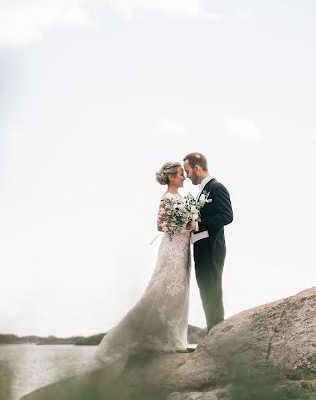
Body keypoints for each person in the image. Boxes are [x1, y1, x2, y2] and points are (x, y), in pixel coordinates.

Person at [92, 162, 193, 368]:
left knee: (179, 292)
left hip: (183, 250)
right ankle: (158, 337)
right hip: (172, 250)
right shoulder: (167, 198)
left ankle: (175, 337)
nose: (184, 177)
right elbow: (161, 225)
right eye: (181, 174)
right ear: (172, 177)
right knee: (164, 290)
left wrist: (192, 221)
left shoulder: (181, 199)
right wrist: (185, 224)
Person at [183, 152, 233, 332]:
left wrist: (198, 224)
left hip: (212, 248)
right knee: (206, 291)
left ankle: (216, 331)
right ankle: (214, 330)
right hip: (202, 247)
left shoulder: (217, 188)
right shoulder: (203, 190)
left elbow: (227, 216)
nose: (187, 176)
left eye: (188, 171)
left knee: (211, 291)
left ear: (197, 168)